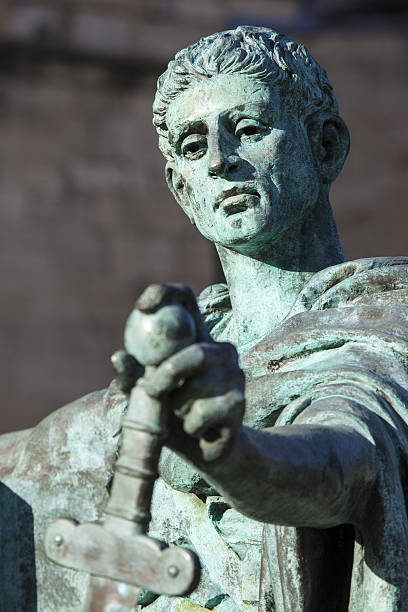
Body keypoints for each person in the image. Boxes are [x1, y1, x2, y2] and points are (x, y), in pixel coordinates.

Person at [1, 26, 408, 611]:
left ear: (325, 146)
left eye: (248, 130)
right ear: (181, 190)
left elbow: (345, 460)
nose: (221, 162)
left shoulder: (381, 325)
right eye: (194, 148)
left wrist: (233, 454)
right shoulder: (172, 363)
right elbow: (38, 457)